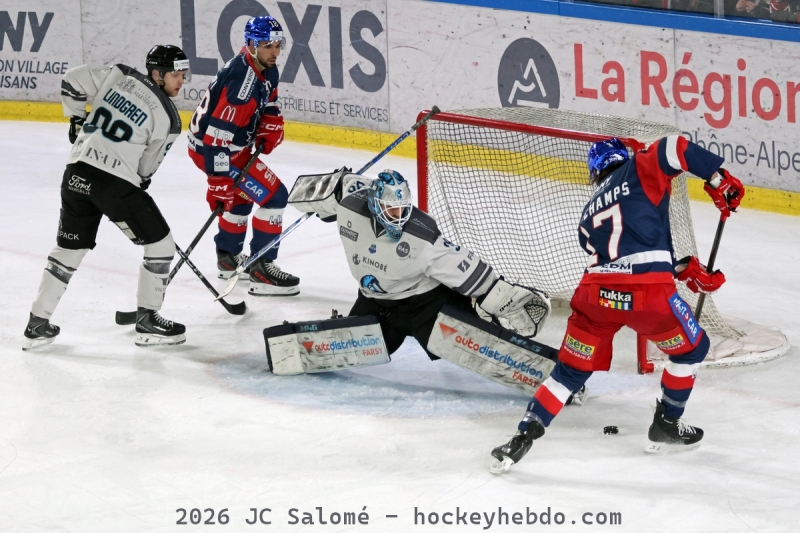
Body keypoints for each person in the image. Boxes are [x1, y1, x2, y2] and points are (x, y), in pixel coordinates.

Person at [489, 135, 746, 473]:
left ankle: (520, 439)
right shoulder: (640, 165)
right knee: (691, 350)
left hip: (595, 297)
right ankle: (666, 424)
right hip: (646, 297)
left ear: (595, 171)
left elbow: (621, 255)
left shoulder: (588, 212)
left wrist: (680, 268)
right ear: (622, 157)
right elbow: (676, 146)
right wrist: (717, 179)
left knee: (569, 372)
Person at [23, 45, 191, 350]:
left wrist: (76, 120)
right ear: (157, 73)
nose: (181, 81)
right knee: (160, 245)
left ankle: (37, 323)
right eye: (176, 74)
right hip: (113, 184)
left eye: (183, 75)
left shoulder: (119, 76)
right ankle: (147, 320)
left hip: (75, 173)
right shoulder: (169, 117)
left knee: (67, 250)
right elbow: (144, 171)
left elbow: (72, 80)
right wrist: (138, 183)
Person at [187, 15, 299, 296]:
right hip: (217, 150)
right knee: (275, 196)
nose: (274, 52)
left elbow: (268, 98)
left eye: (277, 45)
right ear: (250, 44)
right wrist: (219, 179)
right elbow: (216, 138)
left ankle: (227, 258)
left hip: (218, 145)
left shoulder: (263, 66)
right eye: (266, 46)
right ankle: (262, 266)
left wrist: (270, 121)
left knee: (240, 198)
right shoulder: (242, 84)